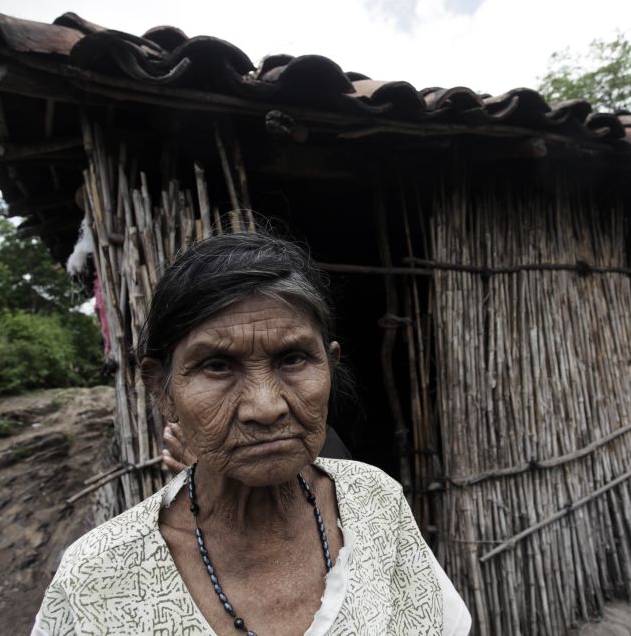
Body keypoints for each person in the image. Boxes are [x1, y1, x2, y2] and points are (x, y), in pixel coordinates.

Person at [31, 231, 471, 635]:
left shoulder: (375, 502)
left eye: (293, 359)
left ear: (330, 366)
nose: (266, 407)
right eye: (216, 366)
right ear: (161, 389)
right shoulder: (96, 577)